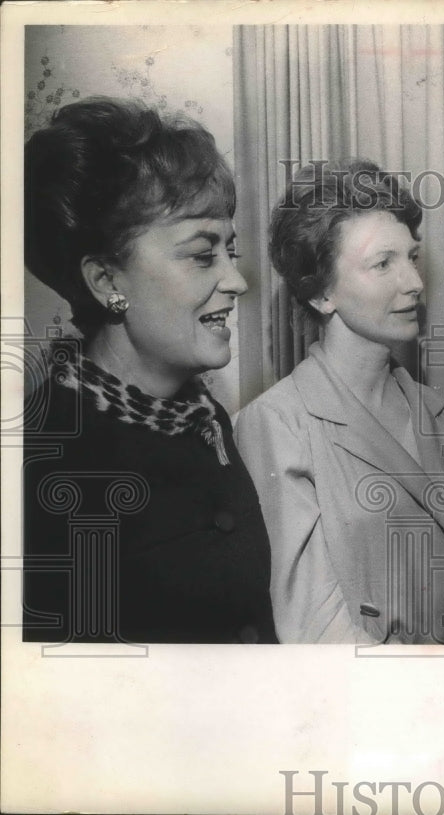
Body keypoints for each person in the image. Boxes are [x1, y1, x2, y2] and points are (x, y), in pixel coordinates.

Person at [235, 162, 444, 645]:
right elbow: (314, 629)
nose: (414, 282)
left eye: (412, 258)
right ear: (321, 292)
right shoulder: (277, 424)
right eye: (383, 264)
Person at [22, 97, 277, 644]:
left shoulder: (204, 419)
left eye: (231, 251)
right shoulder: (49, 458)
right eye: (203, 255)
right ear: (107, 282)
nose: (237, 282)